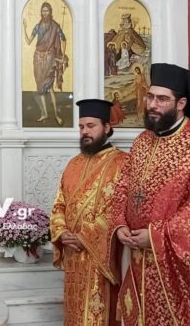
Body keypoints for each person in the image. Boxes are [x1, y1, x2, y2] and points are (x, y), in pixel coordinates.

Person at [112, 63, 190, 325]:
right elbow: (123, 186)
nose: (152, 105)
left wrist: (157, 236)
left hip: (172, 265)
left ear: (181, 103)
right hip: (135, 257)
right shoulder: (142, 141)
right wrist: (119, 224)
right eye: (150, 97)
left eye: (162, 99)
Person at [50, 99, 126, 326]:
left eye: (91, 126)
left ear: (107, 127)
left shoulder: (123, 163)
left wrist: (85, 236)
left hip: (100, 259)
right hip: (73, 257)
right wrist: (61, 232)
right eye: (81, 126)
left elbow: (120, 210)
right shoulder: (73, 164)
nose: (85, 131)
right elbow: (59, 203)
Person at [23, 1, 68, 126]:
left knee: (50, 87)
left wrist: (63, 54)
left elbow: (63, 39)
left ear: (50, 12)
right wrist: (24, 28)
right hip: (38, 58)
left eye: (47, 10)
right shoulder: (38, 26)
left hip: (49, 57)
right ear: (41, 12)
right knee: (40, 87)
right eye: (43, 11)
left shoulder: (55, 26)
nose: (45, 13)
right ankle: (44, 113)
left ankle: (56, 114)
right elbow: (28, 41)